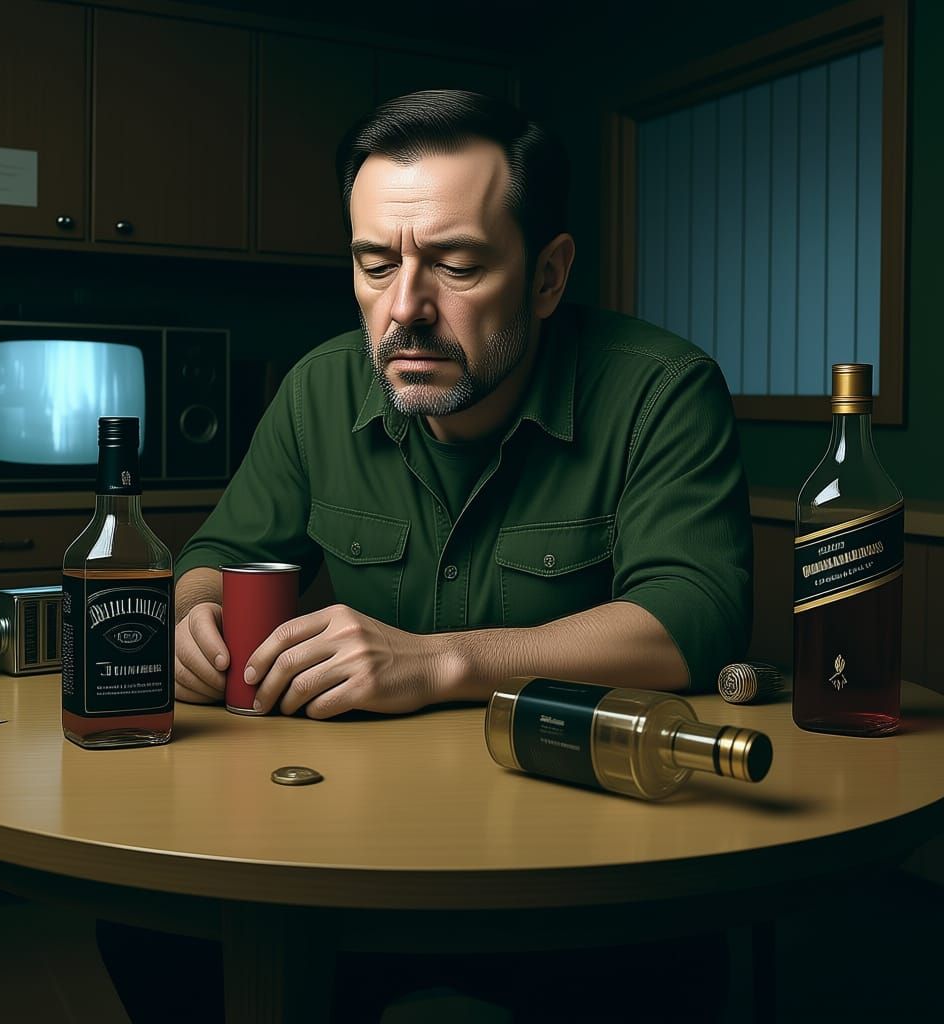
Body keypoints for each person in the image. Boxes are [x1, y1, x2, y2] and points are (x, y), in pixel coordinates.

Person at [97, 90, 750, 1022]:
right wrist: (191, 615)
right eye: (374, 264)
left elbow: (696, 614)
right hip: (351, 845)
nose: (405, 310)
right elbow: (222, 552)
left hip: (586, 862)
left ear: (550, 275)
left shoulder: (663, 390)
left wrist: (441, 661)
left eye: (456, 265)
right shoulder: (319, 386)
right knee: (153, 934)